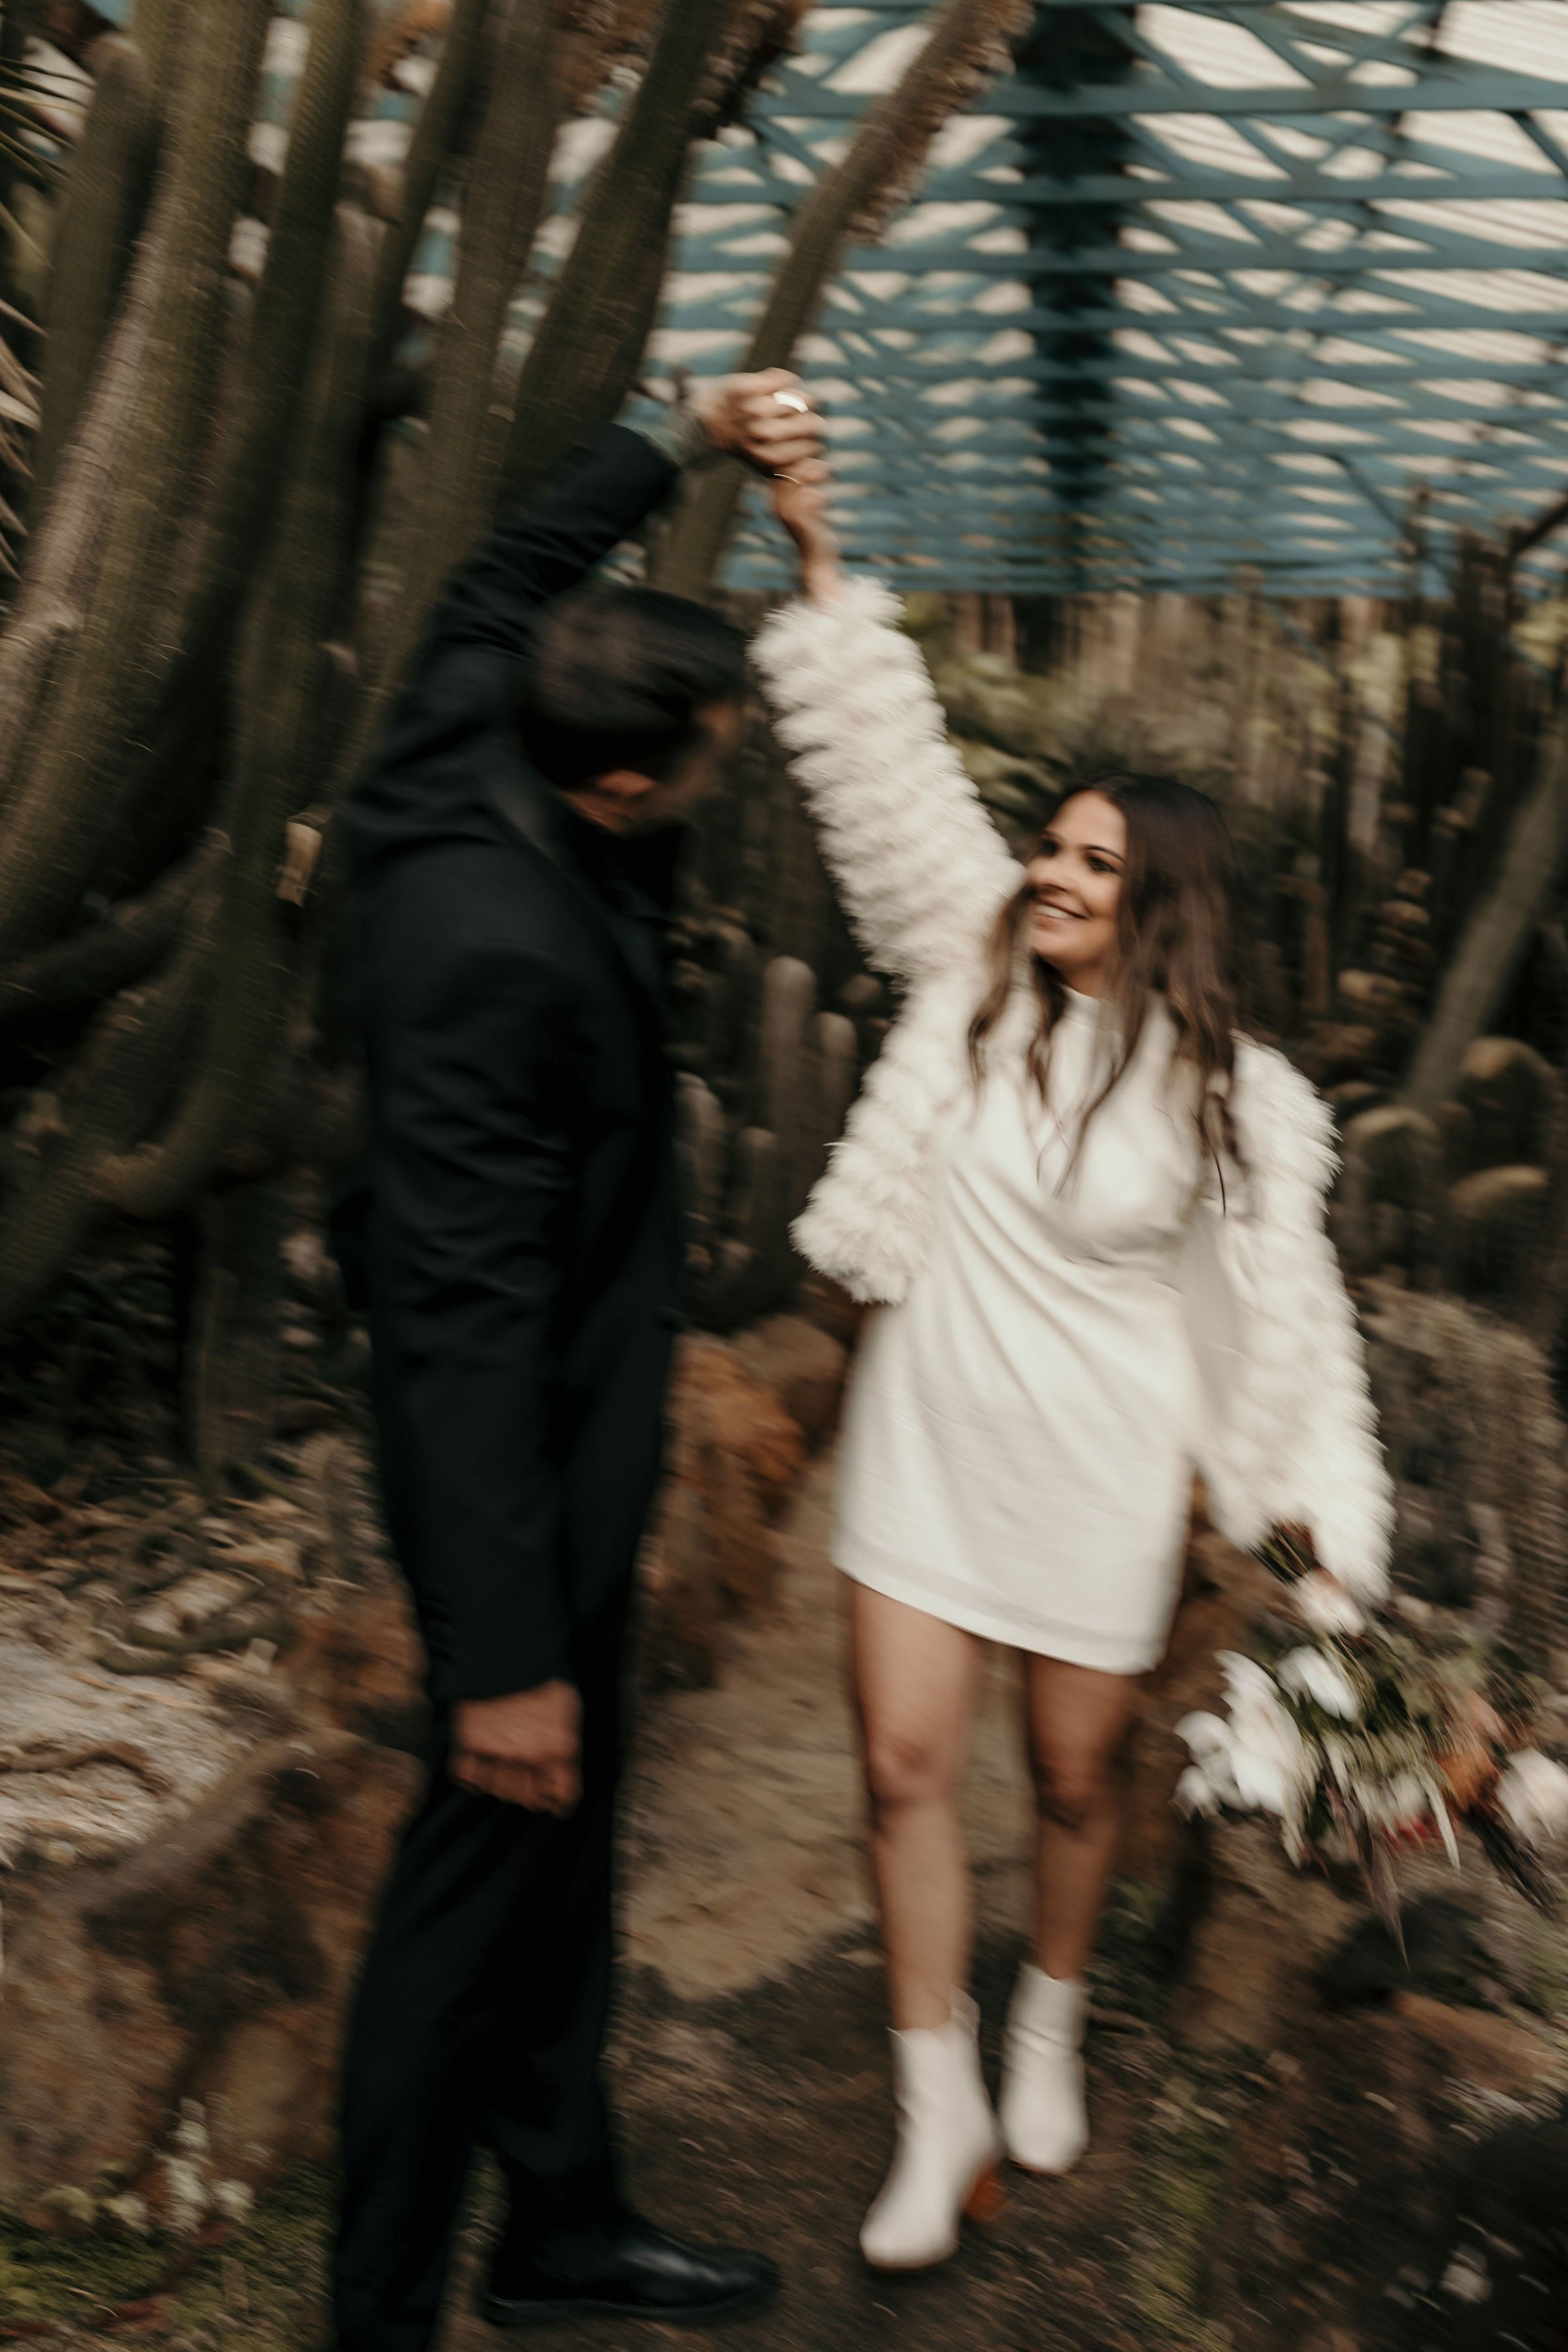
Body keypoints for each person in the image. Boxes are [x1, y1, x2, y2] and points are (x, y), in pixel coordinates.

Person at [750, 466, 1394, 2273]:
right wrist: (814, 557)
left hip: (1099, 1474)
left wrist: (1325, 1528)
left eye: (1095, 862)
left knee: (1076, 1786)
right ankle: (932, 2097)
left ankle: (1047, 2019)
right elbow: (888, 774)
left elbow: (1292, 1331)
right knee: (897, 1769)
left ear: (1160, 903)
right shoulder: (973, 975)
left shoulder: (1241, 1106)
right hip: (928, 1446)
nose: (1050, 868)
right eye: (1054, 840)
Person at [332, 374, 821, 2351]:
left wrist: (681, 431)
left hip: (582, 1450)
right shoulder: (489, 957)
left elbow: (496, 574)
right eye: (710, 756)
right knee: (471, 1899)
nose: (720, 770)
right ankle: (370, 2320)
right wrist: (506, 1652)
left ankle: (560, 2222)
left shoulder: (463, 727)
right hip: (517, 1477)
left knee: (562, 1873)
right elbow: (456, 1325)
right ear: (621, 788)